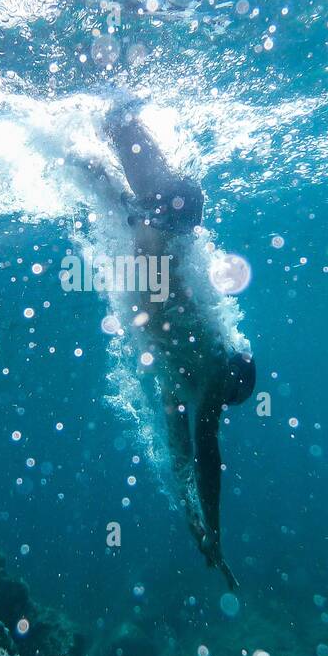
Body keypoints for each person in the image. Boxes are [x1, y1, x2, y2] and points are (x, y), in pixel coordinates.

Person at [99, 93, 256, 589]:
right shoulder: (183, 385)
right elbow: (188, 455)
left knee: (176, 198)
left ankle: (110, 109)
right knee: (140, 197)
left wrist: (209, 527)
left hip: (158, 268)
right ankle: (96, 124)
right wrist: (205, 528)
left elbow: (201, 455)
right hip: (150, 284)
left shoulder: (212, 375)